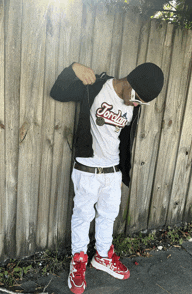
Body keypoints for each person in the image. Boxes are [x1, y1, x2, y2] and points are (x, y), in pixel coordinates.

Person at [50, 62, 164, 294]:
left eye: (142, 102)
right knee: (82, 216)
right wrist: (72, 69)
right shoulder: (96, 87)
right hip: (87, 169)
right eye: (136, 97)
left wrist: (121, 170)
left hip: (112, 172)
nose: (135, 104)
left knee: (108, 216)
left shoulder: (134, 104)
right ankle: (79, 261)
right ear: (128, 81)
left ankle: (102, 256)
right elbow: (57, 92)